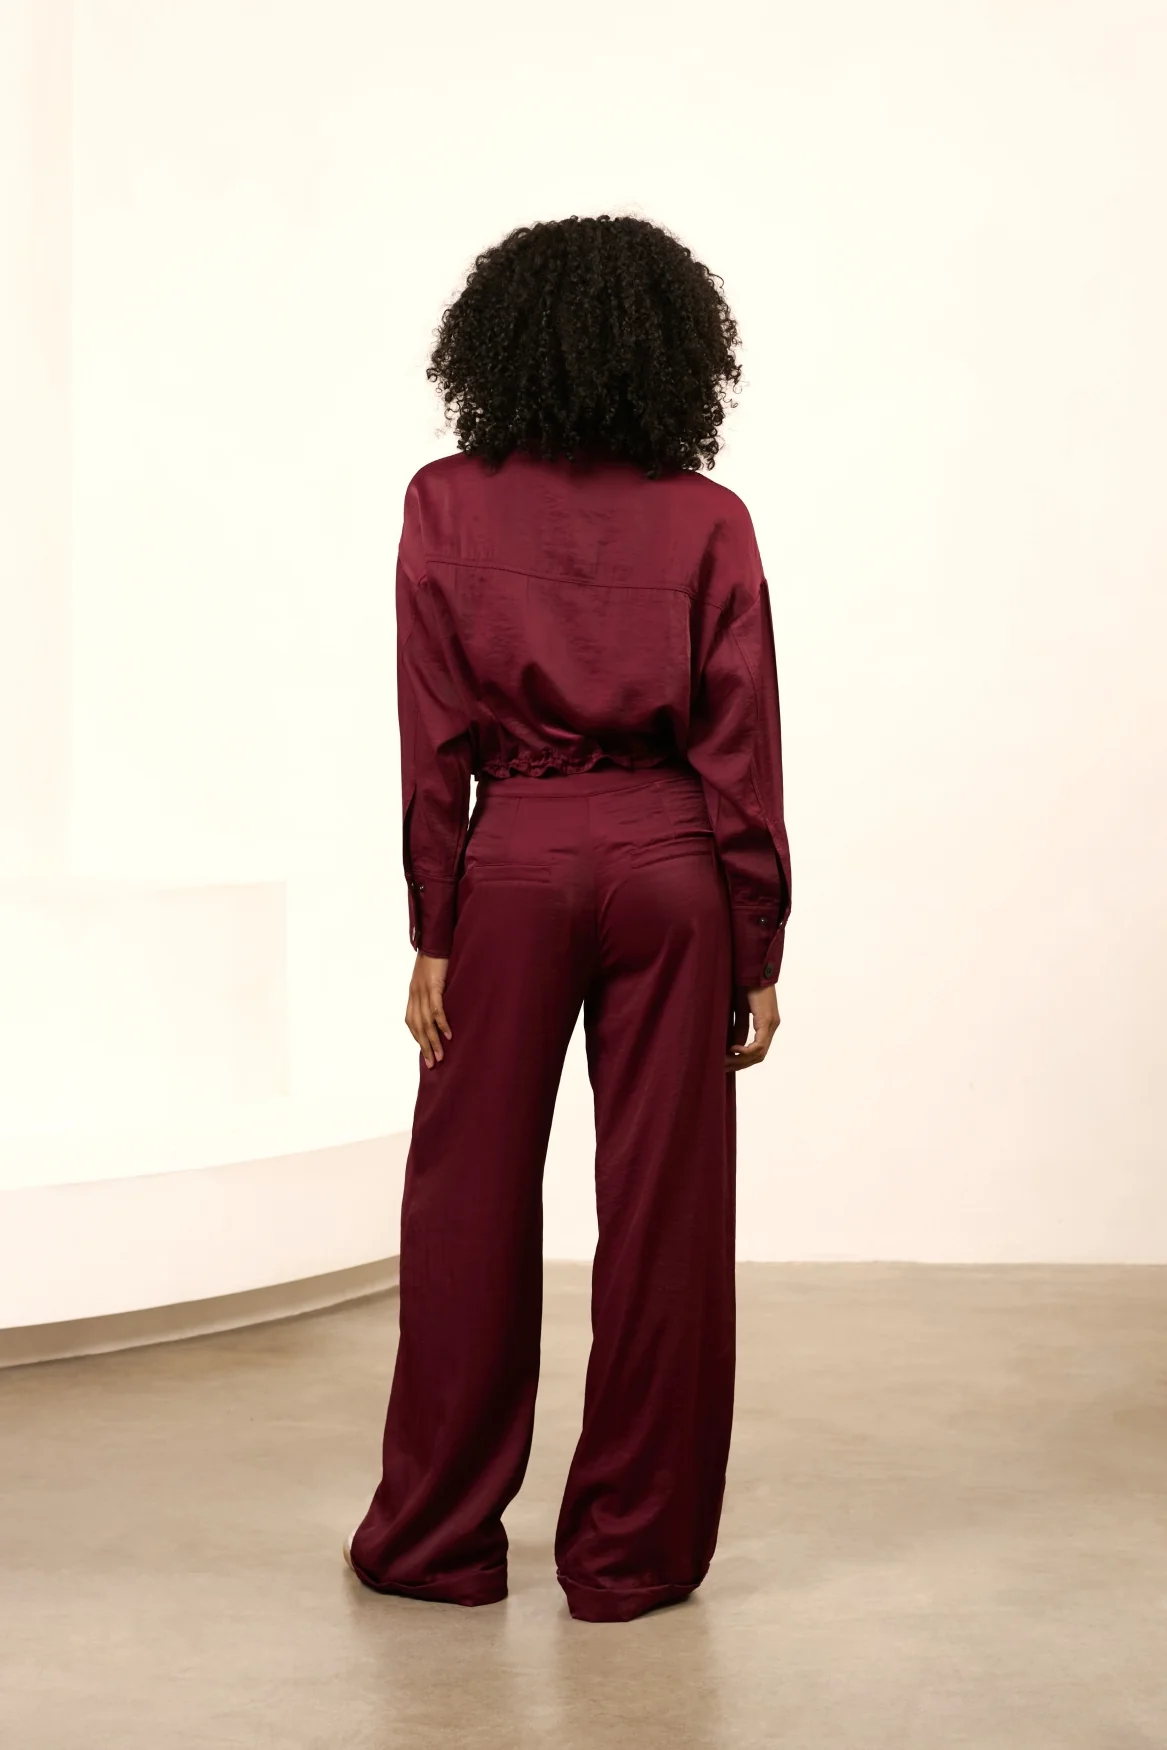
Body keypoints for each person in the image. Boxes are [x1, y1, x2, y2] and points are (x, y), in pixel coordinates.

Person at [344, 213, 792, 1624]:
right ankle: (629, 1554)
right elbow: (740, 745)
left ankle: (435, 1540)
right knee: (666, 1211)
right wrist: (758, 939)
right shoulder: (708, 520)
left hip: (515, 866)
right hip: (672, 869)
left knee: (466, 1197)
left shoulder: (444, 504)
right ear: (674, 353)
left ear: (498, 344)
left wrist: (433, 924)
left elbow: (431, 739)